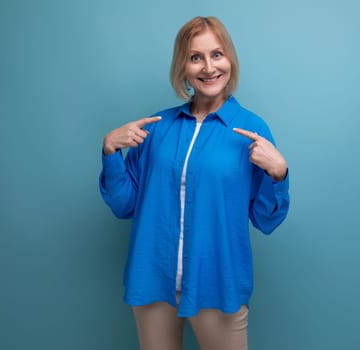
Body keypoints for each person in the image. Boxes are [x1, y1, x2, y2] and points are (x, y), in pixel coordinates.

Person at [99, 16, 290, 350]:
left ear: (230, 59)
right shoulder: (158, 126)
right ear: (182, 66)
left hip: (218, 283)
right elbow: (124, 205)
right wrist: (110, 150)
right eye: (195, 57)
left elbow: (266, 220)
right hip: (153, 280)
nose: (208, 67)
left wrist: (279, 174)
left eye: (217, 54)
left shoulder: (250, 129)